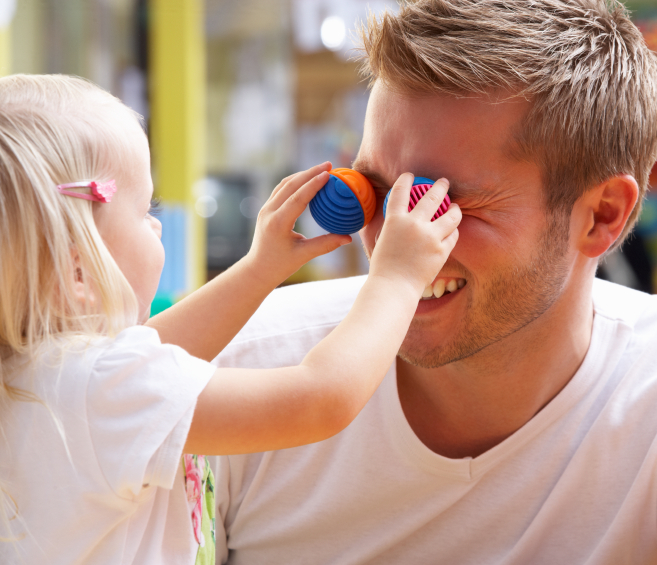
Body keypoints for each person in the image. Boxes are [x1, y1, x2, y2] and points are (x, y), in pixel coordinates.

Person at [209, 1, 657, 564]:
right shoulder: (247, 367)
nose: (392, 239)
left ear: (601, 216)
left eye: (441, 203)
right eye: (372, 189)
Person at [0, 74, 461, 565]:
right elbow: (318, 400)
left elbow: (160, 348)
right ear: (77, 271)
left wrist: (260, 268)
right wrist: (397, 279)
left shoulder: (47, 379)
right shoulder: (99, 392)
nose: (157, 225)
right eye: (143, 211)